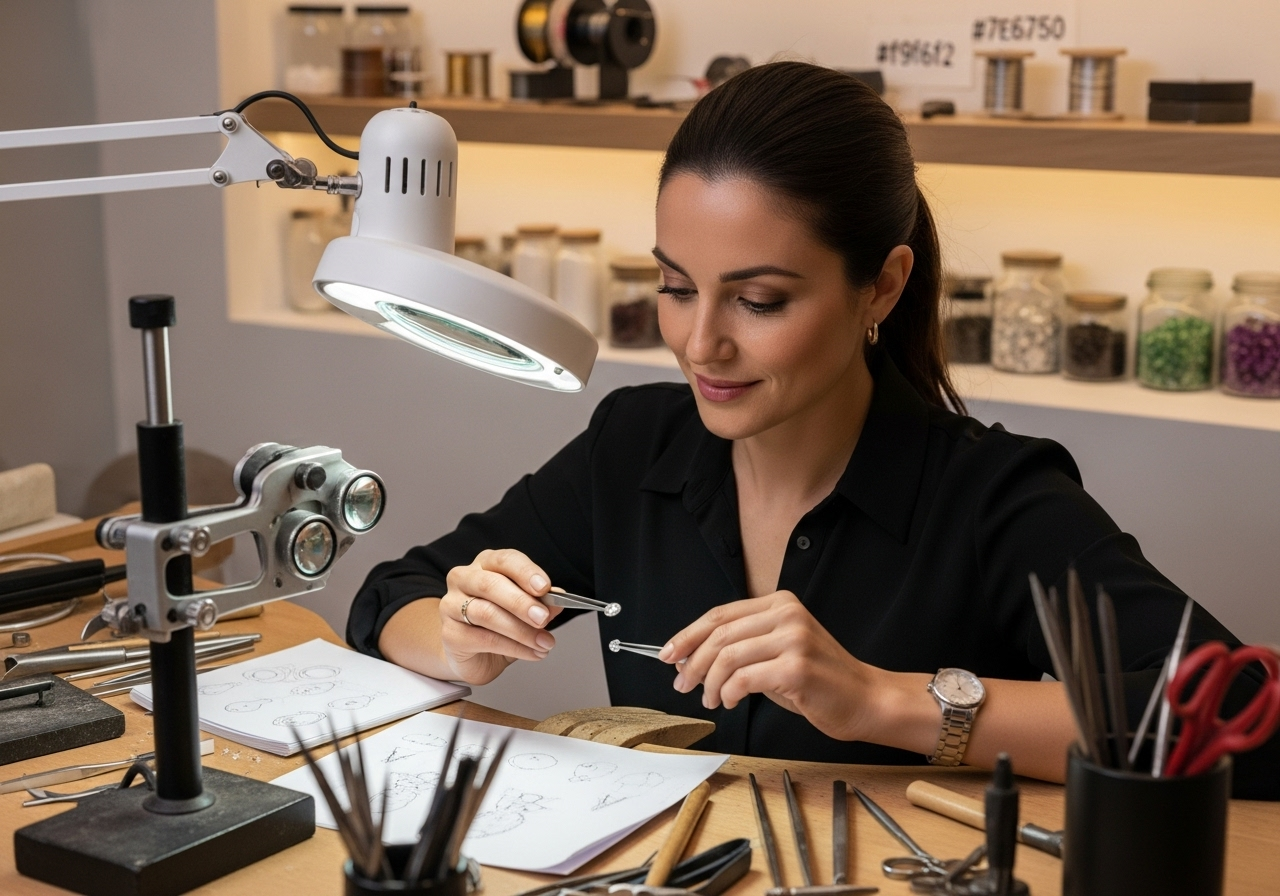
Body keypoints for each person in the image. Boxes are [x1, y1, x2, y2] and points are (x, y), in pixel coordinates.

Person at [348, 62, 1277, 798]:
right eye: (675, 287)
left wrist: (881, 698)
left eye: (757, 299)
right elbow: (394, 598)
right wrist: (459, 639)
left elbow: (1241, 721)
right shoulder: (635, 447)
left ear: (882, 284)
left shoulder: (989, 499)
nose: (700, 341)